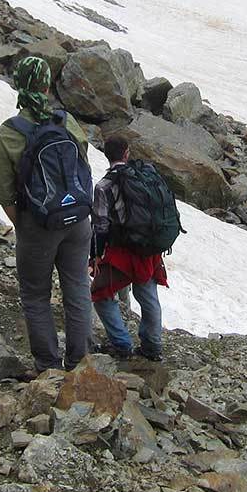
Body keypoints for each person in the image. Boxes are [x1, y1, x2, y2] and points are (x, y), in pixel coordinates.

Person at [0, 55, 94, 371]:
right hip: (78, 219)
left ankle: (48, 366)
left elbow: (6, 194)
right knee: (77, 287)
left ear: (20, 85)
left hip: (38, 224)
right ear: (47, 85)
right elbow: (82, 165)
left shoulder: (9, 133)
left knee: (36, 295)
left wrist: (26, 226)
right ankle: (79, 361)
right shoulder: (66, 121)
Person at [91, 135, 170, 362]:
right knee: (148, 295)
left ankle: (122, 344)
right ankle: (152, 345)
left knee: (100, 294)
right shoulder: (145, 176)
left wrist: (95, 255)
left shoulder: (103, 186)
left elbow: (100, 225)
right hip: (149, 250)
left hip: (121, 253)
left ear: (107, 155)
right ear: (127, 153)